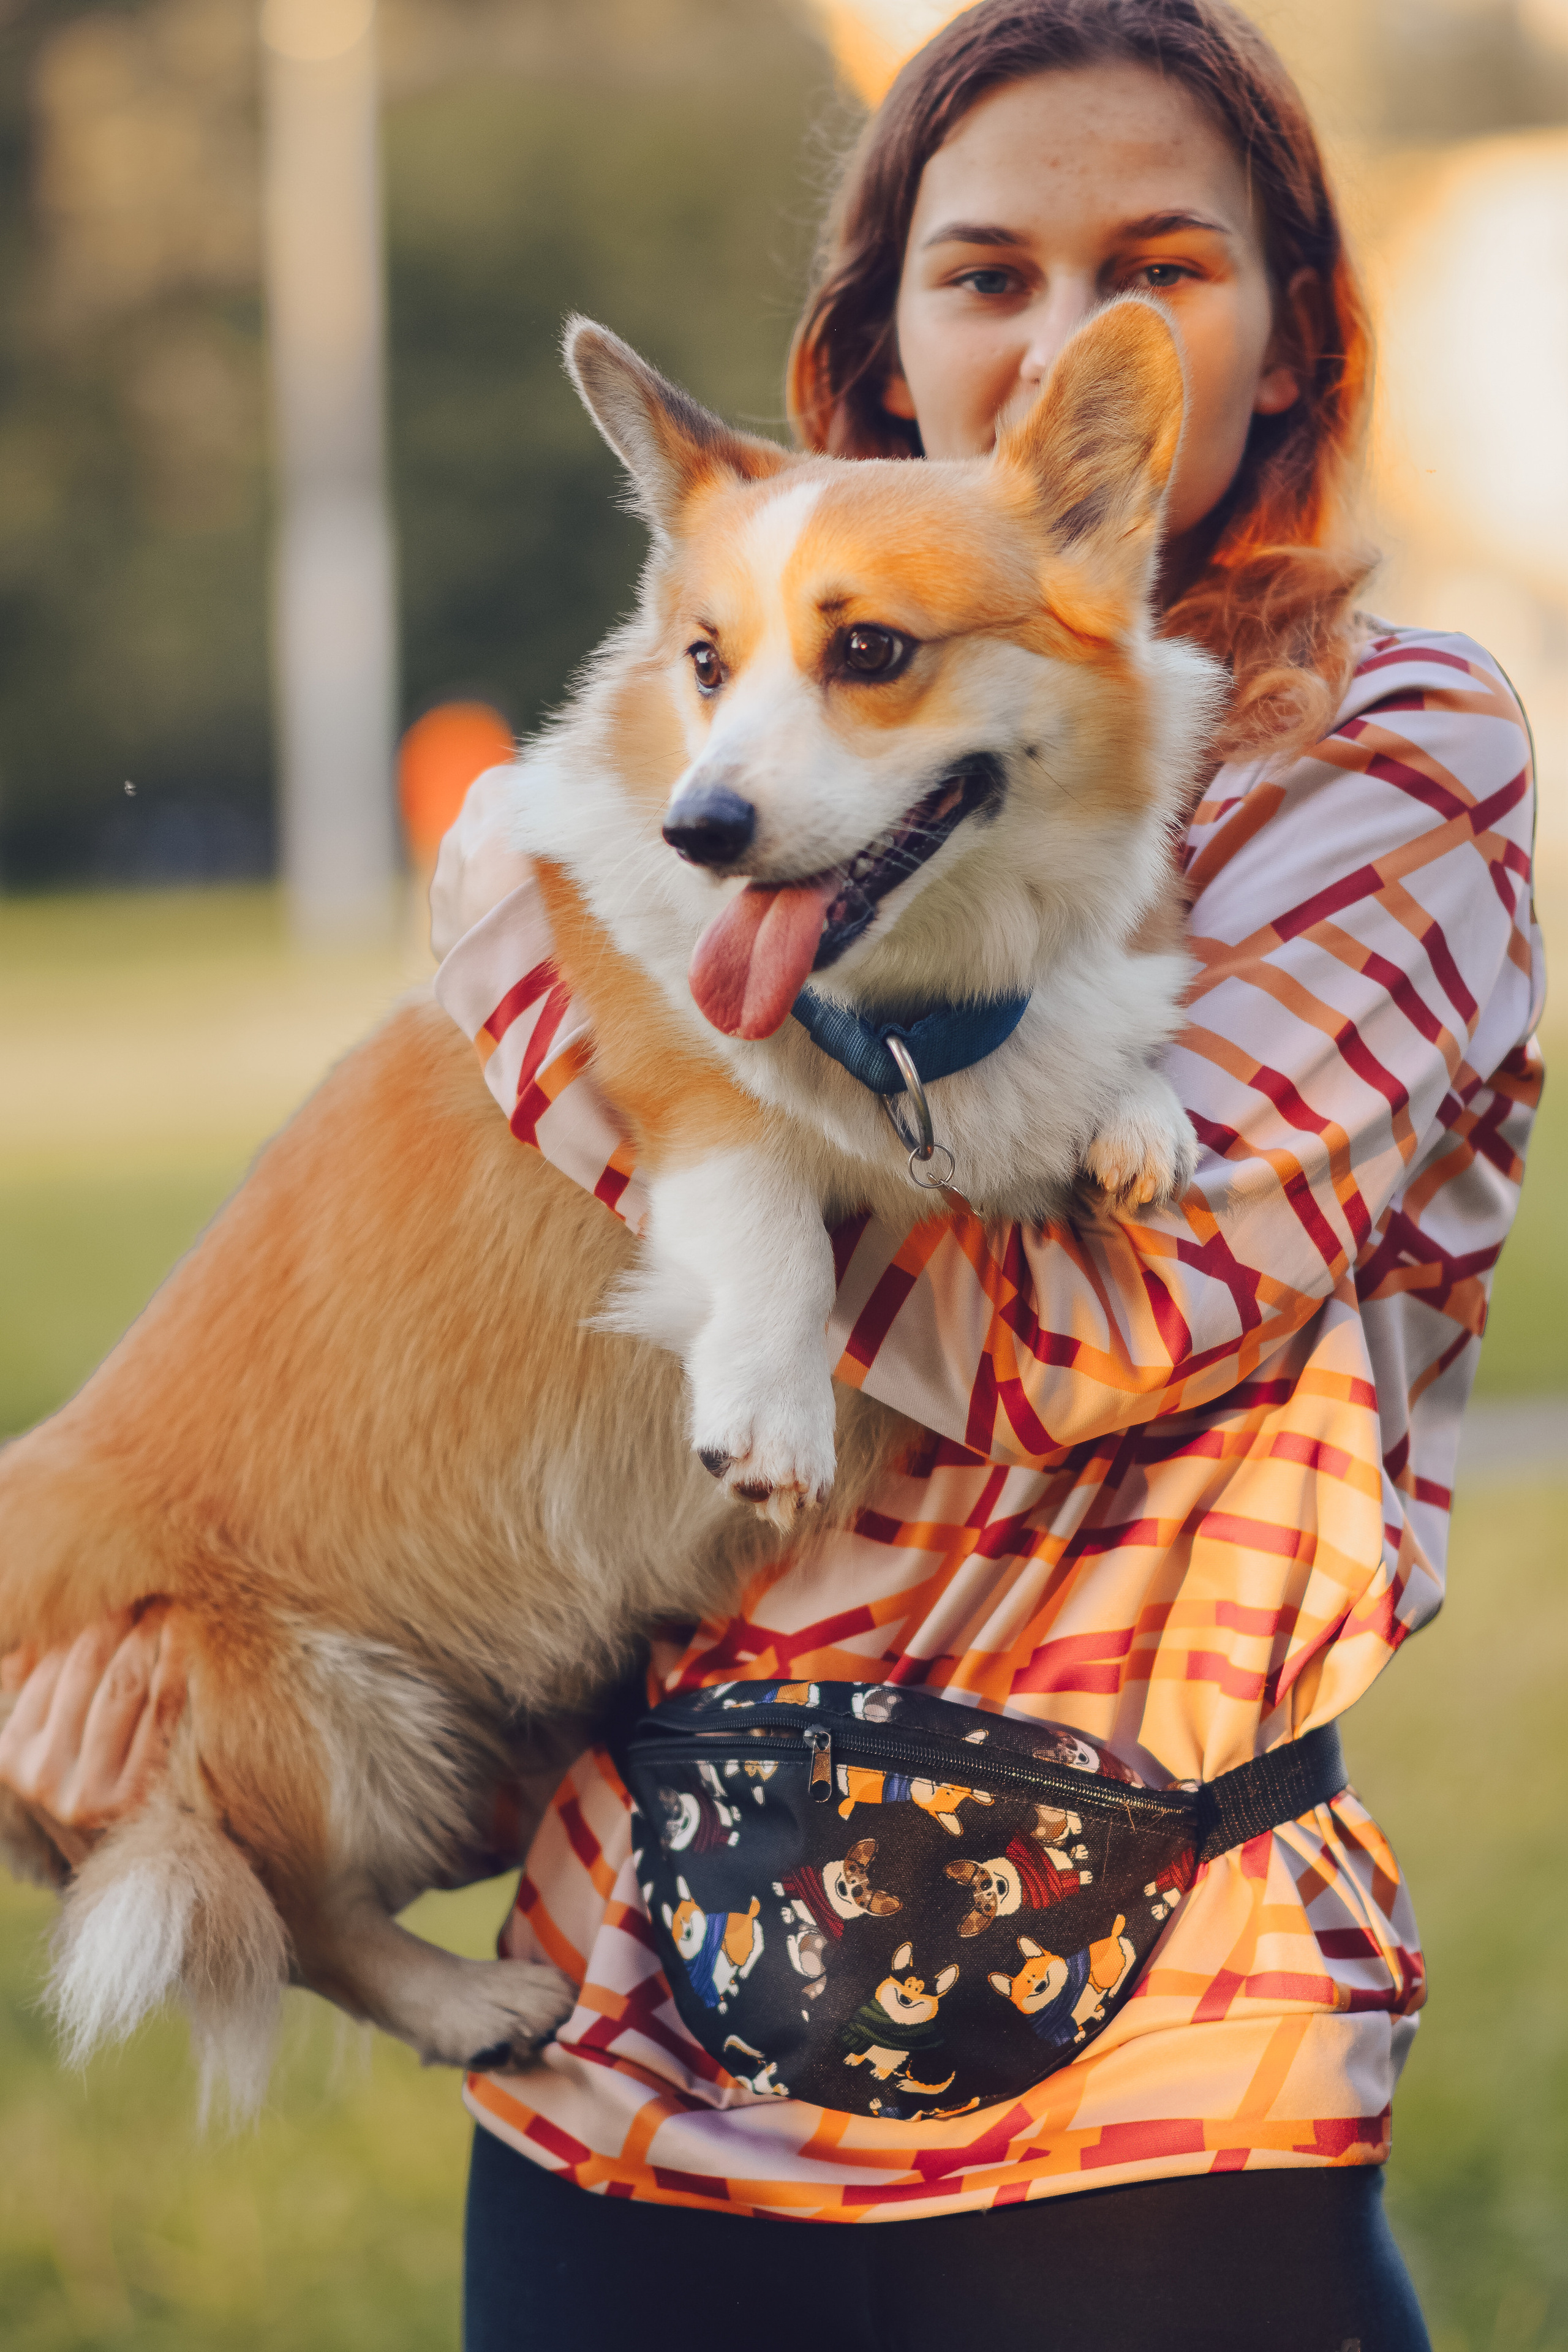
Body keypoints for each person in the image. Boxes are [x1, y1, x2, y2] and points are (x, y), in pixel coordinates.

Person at [2, 4, 1544, 2345]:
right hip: (629, 2068)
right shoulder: (760, 723)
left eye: (1157, 268)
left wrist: (550, 995)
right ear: (884, 326)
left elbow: (1094, 1331)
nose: (1056, 341)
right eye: (984, 272)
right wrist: (131, 1763)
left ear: (1298, 327)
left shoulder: (1395, 752)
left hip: (1149, 2098)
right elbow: (543, 1559)